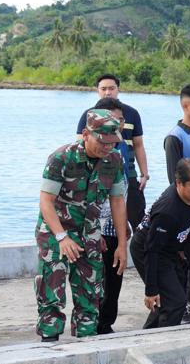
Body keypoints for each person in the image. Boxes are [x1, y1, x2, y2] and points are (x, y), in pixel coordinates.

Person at [36, 110, 127, 342]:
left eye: (112, 143)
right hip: (56, 229)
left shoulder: (114, 160)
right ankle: (50, 339)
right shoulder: (61, 158)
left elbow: (117, 201)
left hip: (90, 231)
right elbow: (46, 202)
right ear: (86, 134)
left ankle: (86, 341)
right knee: (52, 287)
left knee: (91, 291)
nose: (107, 147)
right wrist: (62, 238)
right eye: (102, 142)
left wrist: (122, 244)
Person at [130, 158, 190, 329]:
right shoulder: (168, 211)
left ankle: (148, 336)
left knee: (174, 296)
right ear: (179, 183)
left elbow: (189, 228)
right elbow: (151, 251)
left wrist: (182, 252)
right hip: (148, 248)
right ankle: (163, 340)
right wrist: (150, 291)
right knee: (174, 303)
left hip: (170, 248)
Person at [76, 74, 149, 227]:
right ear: (97, 90)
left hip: (128, 173)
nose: (108, 92)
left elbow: (138, 145)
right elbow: (80, 144)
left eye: (111, 88)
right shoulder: (89, 114)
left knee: (135, 217)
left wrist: (144, 173)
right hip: (97, 176)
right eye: (103, 89)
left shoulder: (131, 113)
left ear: (118, 89)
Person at [90, 98, 130, 334]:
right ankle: (93, 324)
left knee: (115, 280)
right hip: (96, 228)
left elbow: (120, 194)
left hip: (116, 227)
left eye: (120, 121)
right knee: (96, 282)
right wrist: (96, 230)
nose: (117, 126)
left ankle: (106, 324)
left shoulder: (119, 148)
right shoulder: (88, 152)